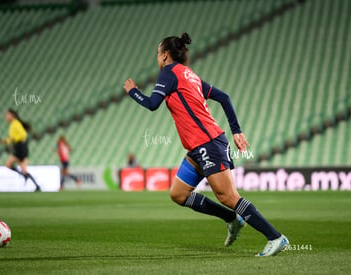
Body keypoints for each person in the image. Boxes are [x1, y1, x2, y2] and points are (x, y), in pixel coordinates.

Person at [124, 33, 289, 256]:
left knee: (229, 197)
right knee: (179, 194)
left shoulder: (168, 72)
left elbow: (153, 104)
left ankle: (275, 237)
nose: (157, 57)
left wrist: (133, 92)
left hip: (208, 143)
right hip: (198, 147)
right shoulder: (190, 75)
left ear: (164, 55)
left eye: (157, 53)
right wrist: (236, 131)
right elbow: (224, 97)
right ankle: (231, 218)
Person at [0, 108, 40, 191]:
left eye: (7, 115)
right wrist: (7, 141)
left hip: (20, 147)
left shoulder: (15, 123)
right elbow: (14, 137)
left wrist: (10, 140)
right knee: (23, 170)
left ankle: (24, 176)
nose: (6, 117)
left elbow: (23, 135)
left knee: (8, 164)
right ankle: (37, 186)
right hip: (21, 147)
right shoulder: (14, 124)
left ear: (12, 115)